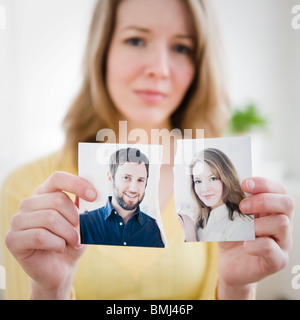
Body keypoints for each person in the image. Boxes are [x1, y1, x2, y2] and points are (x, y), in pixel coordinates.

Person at [0, 0, 294, 300]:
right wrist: (51, 291)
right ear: (102, 52)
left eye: (181, 47)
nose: (159, 69)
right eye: (136, 40)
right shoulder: (26, 190)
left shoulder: (214, 186)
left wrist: (237, 289)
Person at [80, 147, 165, 247]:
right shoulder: (84, 223)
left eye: (140, 180)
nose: (133, 189)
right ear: (110, 177)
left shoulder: (153, 228)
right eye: (126, 178)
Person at [178, 148, 255, 242]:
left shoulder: (242, 223)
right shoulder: (194, 221)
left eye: (213, 178)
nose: (204, 189)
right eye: (198, 181)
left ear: (226, 179)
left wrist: (191, 239)